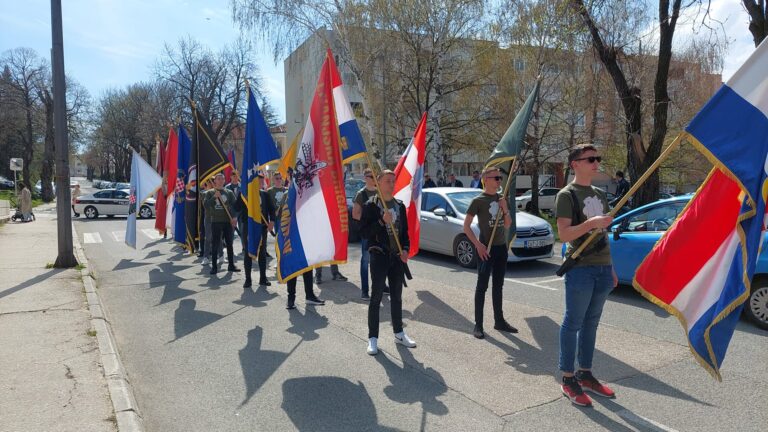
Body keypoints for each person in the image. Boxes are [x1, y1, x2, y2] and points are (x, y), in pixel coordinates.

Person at [555, 144, 617, 407]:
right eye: (590, 159)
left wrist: (611, 268)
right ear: (575, 164)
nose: (596, 162)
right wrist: (593, 223)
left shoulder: (600, 195)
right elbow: (565, 234)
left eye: (597, 158)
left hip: (602, 267)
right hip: (580, 269)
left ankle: (586, 373)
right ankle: (569, 378)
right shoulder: (566, 195)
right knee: (573, 323)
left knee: (592, 323)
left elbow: (604, 236)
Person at [359, 169, 416, 355]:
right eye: (387, 181)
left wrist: (406, 250)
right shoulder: (371, 205)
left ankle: (399, 333)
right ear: (379, 183)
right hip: (379, 256)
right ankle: (373, 338)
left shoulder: (399, 206)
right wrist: (382, 222)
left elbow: (405, 233)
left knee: (397, 297)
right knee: (376, 297)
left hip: (397, 258)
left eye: (393, 181)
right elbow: (365, 233)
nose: (391, 184)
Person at [463, 167, 517, 339]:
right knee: (482, 287)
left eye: (500, 178)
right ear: (486, 179)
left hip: (501, 247)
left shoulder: (501, 199)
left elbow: (507, 224)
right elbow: (466, 226)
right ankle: (478, 325)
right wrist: (478, 245)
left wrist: (505, 209)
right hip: (486, 248)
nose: (499, 180)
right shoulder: (478, 201)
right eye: (496, 178)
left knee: (498, 286)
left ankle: (499, 321)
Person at [237, 174, 275, 288]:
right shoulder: (245, 194)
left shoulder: (265, 194)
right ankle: (248, 279)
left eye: (262, 181)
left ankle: (263, 278)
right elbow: (236, 208)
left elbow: (272, 210)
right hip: (249, 228)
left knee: (262, 253)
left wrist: (272, 221)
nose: (261, 183)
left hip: (262, 227)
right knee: (248, 253)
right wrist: (244, 199)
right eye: (259, 181)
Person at [203, 173, 240, 275]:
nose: (220, 181)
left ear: (224, 181)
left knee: (229, 244)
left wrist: (234, 217)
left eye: (222, 179)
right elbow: (206, 206)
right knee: (215, 244)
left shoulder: (229, 192)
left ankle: (231, 265)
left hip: (227, 222)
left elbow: (235, 206)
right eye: (218, 179)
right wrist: (214, 197)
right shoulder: (210, 193)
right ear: (215, 181)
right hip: (215, 221)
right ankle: (214, 267)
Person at [352, 168, 378, 299]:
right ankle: (365, 290)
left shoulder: (380, 192)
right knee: (365, 260)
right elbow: (355, 214)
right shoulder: (361, 194)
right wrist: (369, 219)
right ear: (365, 178)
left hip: (379, 232)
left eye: (375, 176)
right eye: (371, 176)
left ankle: (380, 286)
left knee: (379, 260)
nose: (374, 178)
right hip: (367, 233)